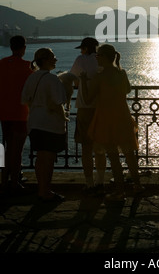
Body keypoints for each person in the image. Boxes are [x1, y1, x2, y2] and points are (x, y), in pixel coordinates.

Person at [81, 44, 142, 201]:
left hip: (107, 119)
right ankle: (137, 185)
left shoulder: (99, 77)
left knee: (113, 157)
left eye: (98, 56)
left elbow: (88, 99)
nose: (96, 58)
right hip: (123, 116)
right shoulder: (122, 73)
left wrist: (83, 82)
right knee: (129, 154)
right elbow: (127, 90)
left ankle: (120, 192)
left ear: (104, 57)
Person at [22, 48, 67, 202]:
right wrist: (64, 119)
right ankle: (45, 191)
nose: (55, 60)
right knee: (48, 158)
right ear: (46, 60)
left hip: (34, 122)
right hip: (49, 124)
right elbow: (56, 103)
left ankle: (41, 189)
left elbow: (26, 100)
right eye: (53, 58)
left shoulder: (32, 78)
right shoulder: (52, 79)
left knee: (40, 158)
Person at [70, 37, 106, 192]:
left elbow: (74, 81)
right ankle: (100, 181)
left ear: (84, 49)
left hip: (85, 107)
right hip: (102, 107)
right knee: (100, 146)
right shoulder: (102, 61)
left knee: (86, 147)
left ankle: (89, 183)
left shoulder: (80, 60)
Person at [0, 35, 34, 195]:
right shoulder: (28, 67)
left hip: (4, 112)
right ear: (23, 48)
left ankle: (3, 180)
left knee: (8, 148)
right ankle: (14, 182)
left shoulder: (2, 64)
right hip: (21, 112)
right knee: (17, 150)